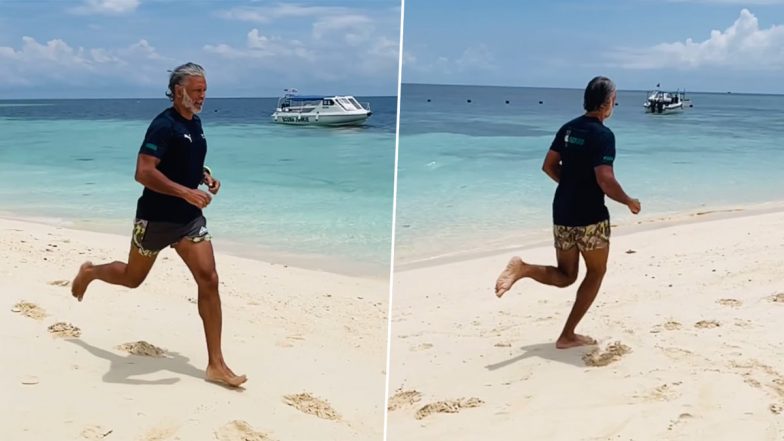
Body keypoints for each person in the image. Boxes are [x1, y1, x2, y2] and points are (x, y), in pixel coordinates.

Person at [70, 62, 247, 387]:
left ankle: (216, 364)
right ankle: (91, 272)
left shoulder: (195, 124)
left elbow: (184, 160)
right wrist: (185, 192)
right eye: (197, 90)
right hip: (155, 219)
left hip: (188, 221)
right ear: (179, 91)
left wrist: (204, 177)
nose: (203, 96)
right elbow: (144, 171)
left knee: (209, 279)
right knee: (132, 278)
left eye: (205, 90)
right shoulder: (162, 126)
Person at [494, 76, 641, 349]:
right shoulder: (604, 135)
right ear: (608, 102)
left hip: (562, 211)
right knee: (596, 273)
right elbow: (605, 180)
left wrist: (572, 184)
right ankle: (567, 335)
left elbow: (548, 166)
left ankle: (523, 268)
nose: (615, 105)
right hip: (590, 217)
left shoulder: (568, 128)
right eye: (615, 101)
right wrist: (629, 201)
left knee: (566, 275)